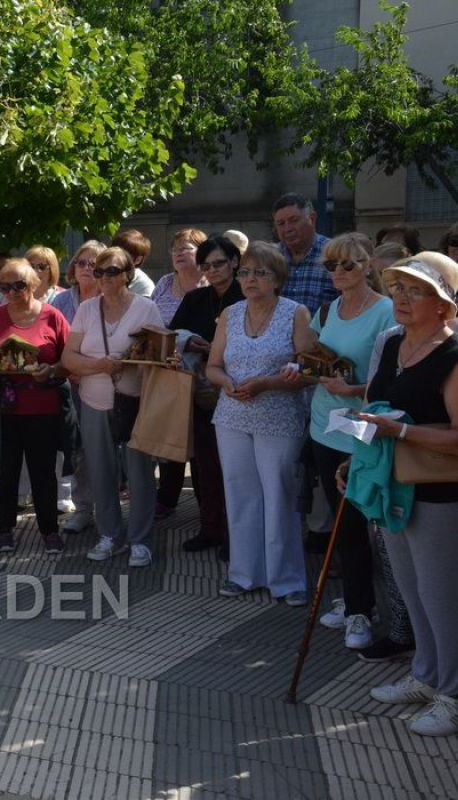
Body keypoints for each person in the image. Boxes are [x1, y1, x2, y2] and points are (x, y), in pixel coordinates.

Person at [347, 253, 458, 737]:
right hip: (389, 483)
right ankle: (428, 673)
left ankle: (457, 695)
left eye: (415, 290)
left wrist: (399, 435)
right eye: (397, 287)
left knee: (443, 596)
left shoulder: (457, 359)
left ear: (444, 306)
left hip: (438, 492)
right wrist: (352, 459)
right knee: (411, 590)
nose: (400, 296)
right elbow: (374, 413)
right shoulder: (394, 344)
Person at [281, 234, 395, 647]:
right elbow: (310, 355)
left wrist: (352, 390)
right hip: (324, 426)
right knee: (340, 522)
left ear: (368, 265)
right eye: (331, 266)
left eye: (348, 265)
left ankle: (366, 611)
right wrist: (300, 370)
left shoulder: (386, 312)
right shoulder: (327, 309)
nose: (338, 273)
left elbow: (392, 382)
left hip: (363, 429)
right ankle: (356, 603)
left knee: (365, 525)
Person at [205, 242, 314, 604]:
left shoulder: (295, 313)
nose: (250, 279)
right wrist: (225, 383)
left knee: (278, 494)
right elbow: (213, 365)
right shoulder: (231, 314)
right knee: (240, 494)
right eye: (245, 272)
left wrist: (270, 382)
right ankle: (244, 573)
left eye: (259, 273)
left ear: (277, 278)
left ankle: (287, 578)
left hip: (279, 415)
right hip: (232, 415)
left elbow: (313, 369)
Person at [60, 247, 163, 567]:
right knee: (100, 470)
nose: (103, 277)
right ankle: (110, 535)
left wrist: (132, 363)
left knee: (139, 472)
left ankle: (140, 540)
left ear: (128, 274)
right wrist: (101, 366)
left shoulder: (146, 308)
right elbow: (68, 358)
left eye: (112, 271)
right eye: (99, 271)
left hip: (135, 402)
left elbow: (160, 357)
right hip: (94, 400)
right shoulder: (88, 309)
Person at [0, 259, 70, 553]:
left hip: (43, 405)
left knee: (43, 472)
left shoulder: (52, 316)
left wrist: (53, 370)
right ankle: (4, 528)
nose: (12, 292)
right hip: (4, 408)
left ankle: (49, 530)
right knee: (5, 472)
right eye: (5, 286)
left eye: (19, 285)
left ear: (34, 284)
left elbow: (69, 359)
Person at [170, 235, 245, 555]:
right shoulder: (195, 299)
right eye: (206, 265)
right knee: (204, 465)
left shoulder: (246, 294)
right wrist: (189, 343)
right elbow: (172, 334)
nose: (212, 270)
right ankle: (210, 528)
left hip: (239, 389)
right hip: (201, 391)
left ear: (234, 262)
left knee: (236, 468)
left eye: (218, 263)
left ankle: (235, 536)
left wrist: (215, 348)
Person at [149, 228, 210, 519]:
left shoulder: (213, 286)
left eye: (186, 248)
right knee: (170, 438)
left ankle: (206, 504)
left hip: (203, 376)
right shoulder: (163, 283)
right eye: (175, 248)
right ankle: (167, 498)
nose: (178, 253)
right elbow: (149, 322)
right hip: (167, 372)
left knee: (200, 443)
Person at [51, 241, 106, 530]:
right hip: (68, 385)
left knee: (106, 448)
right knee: (78, 449)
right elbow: (51, 342)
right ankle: (84, 508)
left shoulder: (110, 298)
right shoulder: (61, 301)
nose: (87, 268)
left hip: (103, 383)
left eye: (94, 264)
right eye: (82, 262)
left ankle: (108, 508)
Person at [272, 192, 335, 312]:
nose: (287, 229)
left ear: (312, 219)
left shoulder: (334, 254)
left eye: (293, 220)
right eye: (281, 224)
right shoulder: (270, 257)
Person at [109, 230, 157, 297]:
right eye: (113, 251)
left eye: (123, 254)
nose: (116, 257)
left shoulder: (144, 286)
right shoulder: (103, 275)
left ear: (138, 260)